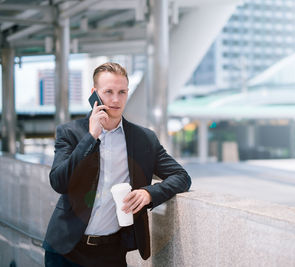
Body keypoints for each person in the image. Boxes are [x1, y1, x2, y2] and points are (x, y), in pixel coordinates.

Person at [42, 62, 191, 267]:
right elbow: (59, 182)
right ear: (94, 93)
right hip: (66, 250)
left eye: (122, 92)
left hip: (111, 252)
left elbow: (181, 176)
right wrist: (91, 136)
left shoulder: (144, 139)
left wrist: (149, 194)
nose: (115, 99)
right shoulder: (70, 132)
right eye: (108, 91)